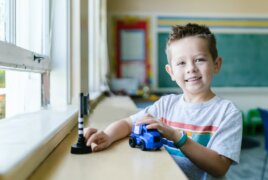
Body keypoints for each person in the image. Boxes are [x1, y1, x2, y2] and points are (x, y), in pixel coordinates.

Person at [84, 23, 242, 179]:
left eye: (199, 59)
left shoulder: (228, 112)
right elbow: (127, 124)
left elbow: (220, 167)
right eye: (181, 63)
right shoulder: (166, 105)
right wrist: (107, 136)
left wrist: (176, 136)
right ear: (171, 72)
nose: (191, 68)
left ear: (216, 64)